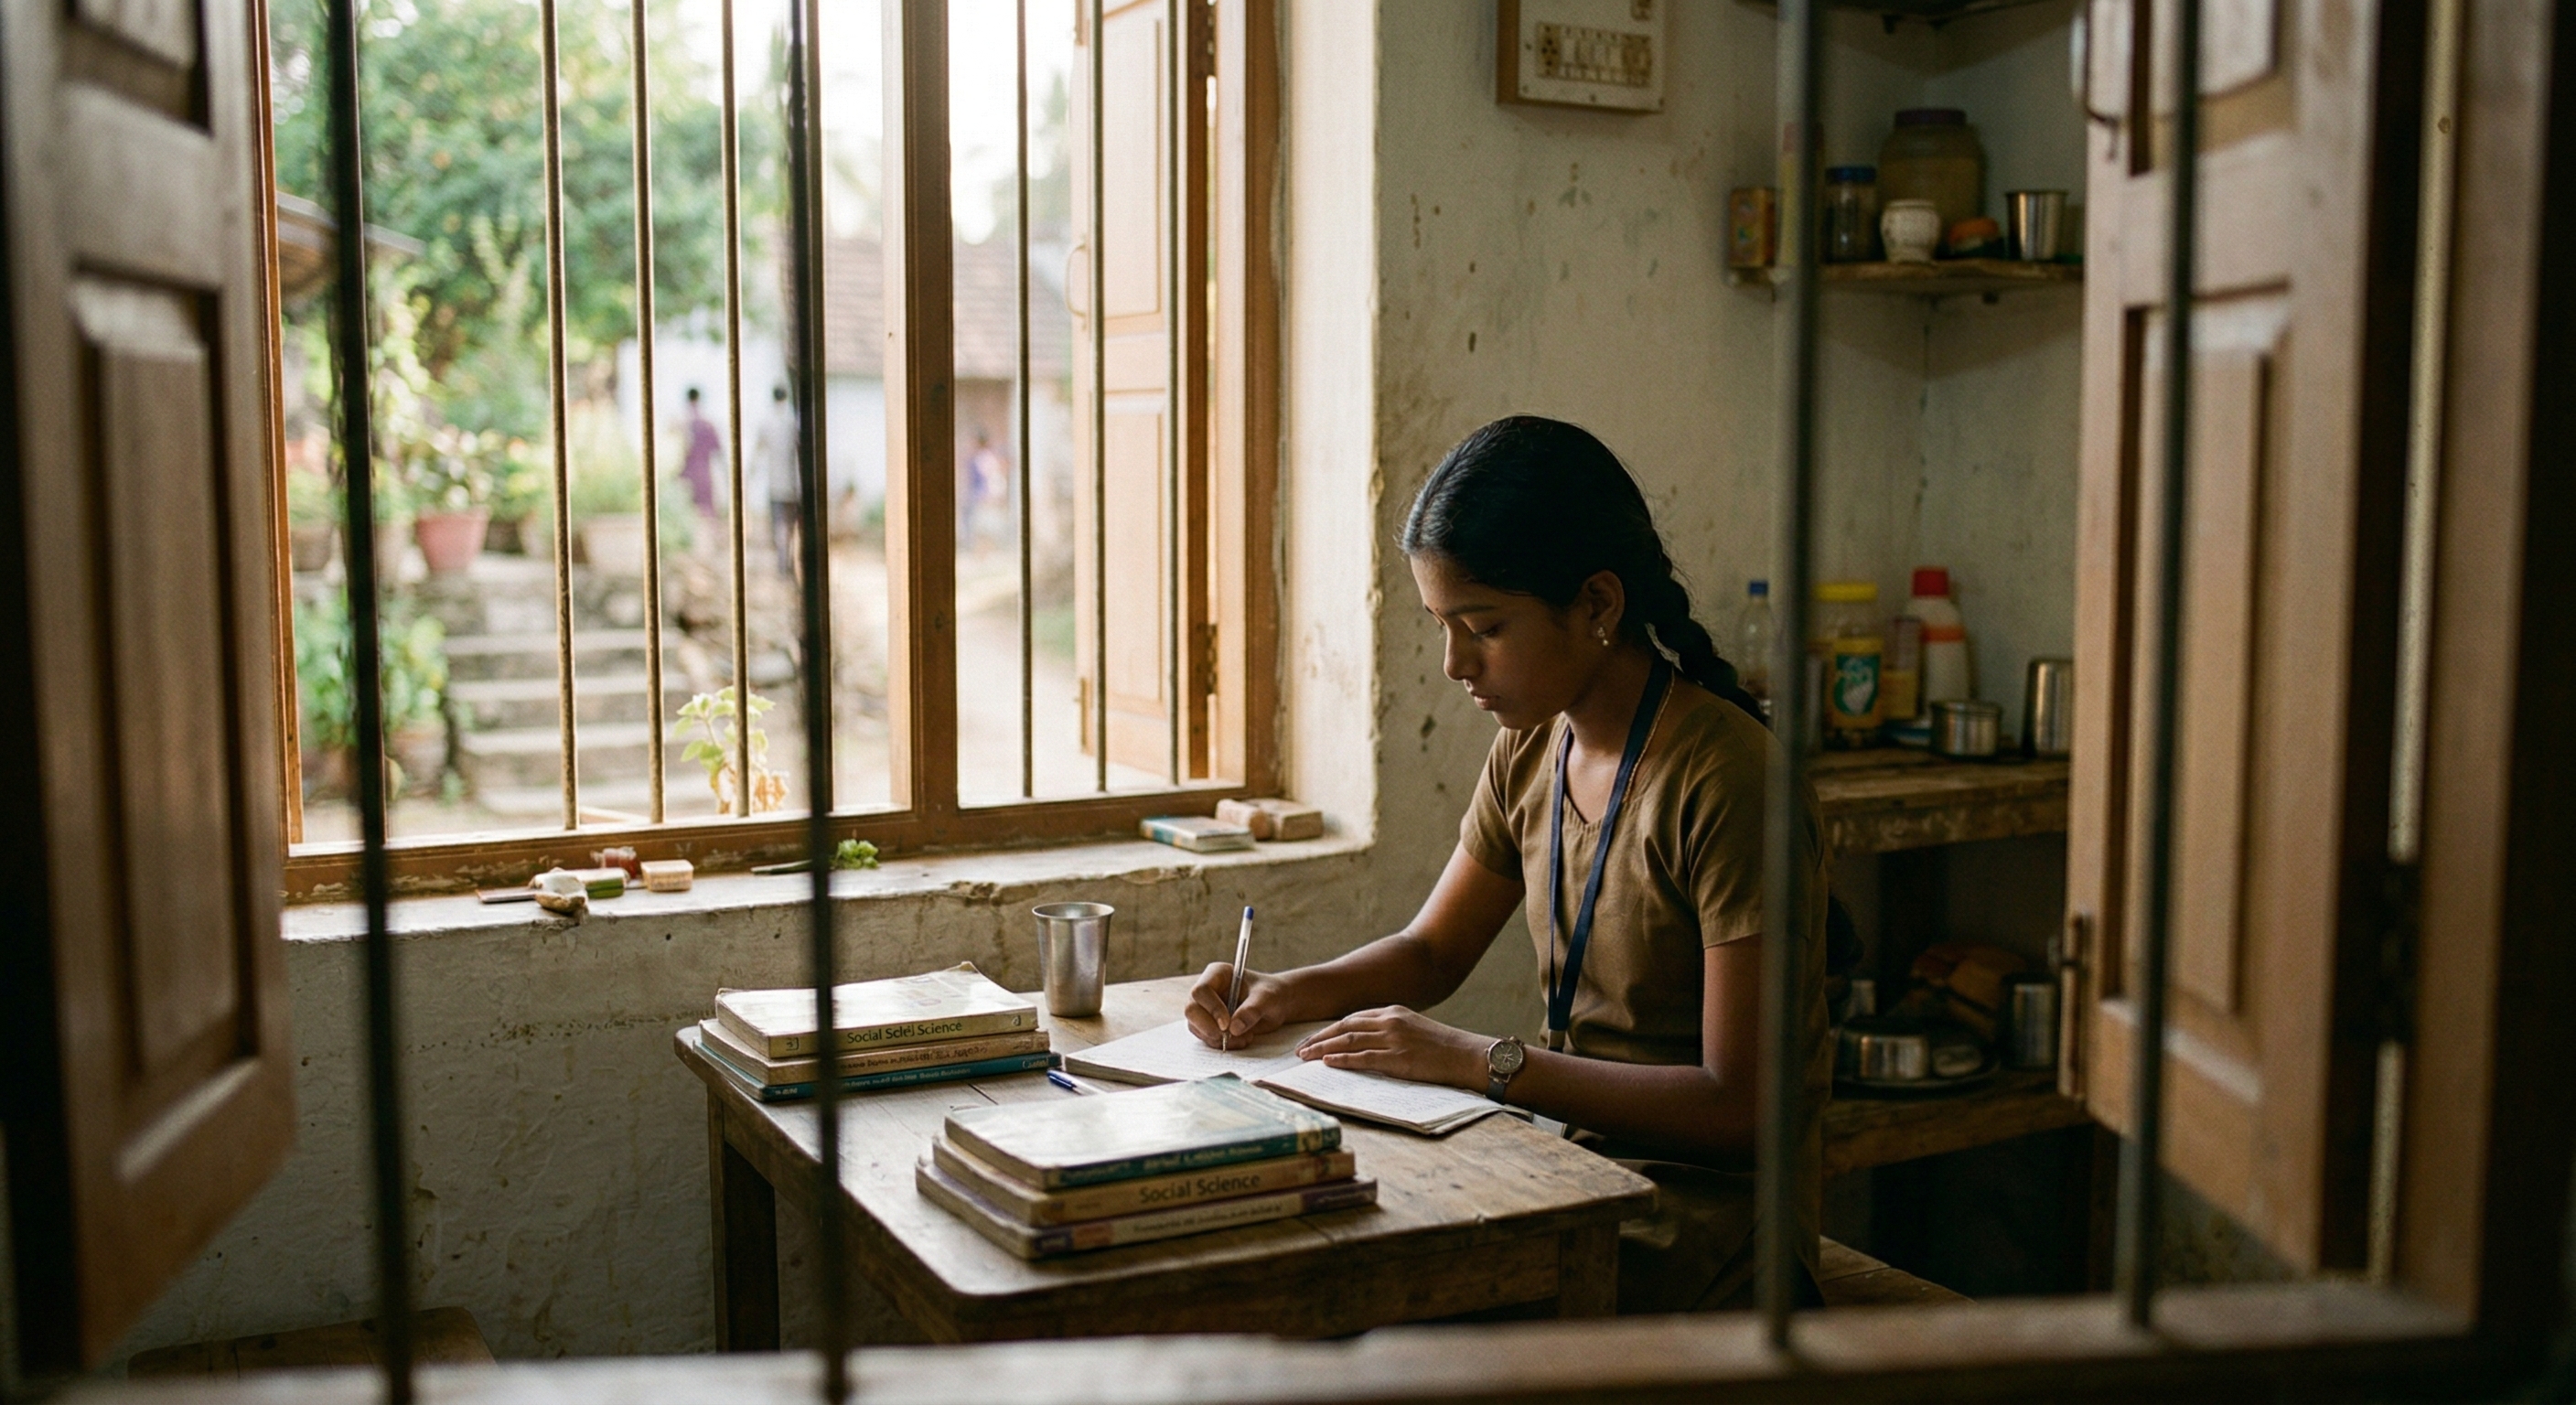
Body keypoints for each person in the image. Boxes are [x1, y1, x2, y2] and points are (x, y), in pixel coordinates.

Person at [1186, 415, 1835, 1313]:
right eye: (1442, 627)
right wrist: (1287, 993)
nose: (1454, 663)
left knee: (1369, 1318)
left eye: (1482, 626)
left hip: (1707, 1228)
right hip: (1563, 1170)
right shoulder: (1533, 749)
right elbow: (1430, 955)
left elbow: (1741, 1107)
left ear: (1597, 606)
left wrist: (1481, 1062)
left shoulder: (1729, 781)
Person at [751, 384, 800, 576]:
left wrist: (750, 476)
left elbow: (758, 451)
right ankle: (788, 563)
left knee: (779, 526)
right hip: (794, 484)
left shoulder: (767, 422)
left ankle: (782, 565)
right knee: (790, 526)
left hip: (775, 484)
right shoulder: (792, 422)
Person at [678, 386, 724, 530]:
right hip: (704, 474)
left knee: (686, 514)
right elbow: (718, 451)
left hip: (686, 475)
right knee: (707, 513)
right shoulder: (707, 424)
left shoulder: (681, 425)